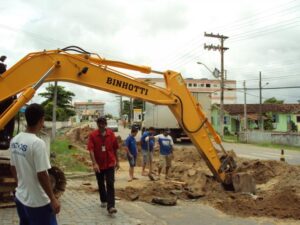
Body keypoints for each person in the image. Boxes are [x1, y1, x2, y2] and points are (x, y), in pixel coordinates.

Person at [9, 103, 60, 225]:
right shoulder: (37, 143)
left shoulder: (15, 140)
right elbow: (42, 174)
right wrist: (53, 199)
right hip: (38, 203)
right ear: (41, 120)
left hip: (21, 198)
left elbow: (12, 167)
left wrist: (20, 186)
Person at [87, 116, 119, 214]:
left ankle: (111, 206)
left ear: (105, 124)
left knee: (110, 183)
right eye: (99, 124)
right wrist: (94, 163)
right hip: (99, 164)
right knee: (101, 183)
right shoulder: (93, 135)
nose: (101, 125)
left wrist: (117, 161)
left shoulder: (111, 134)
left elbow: (115, 148)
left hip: (110, 163)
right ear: (97, 124)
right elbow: (91, 150)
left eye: (103, 123)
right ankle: (103, 199)